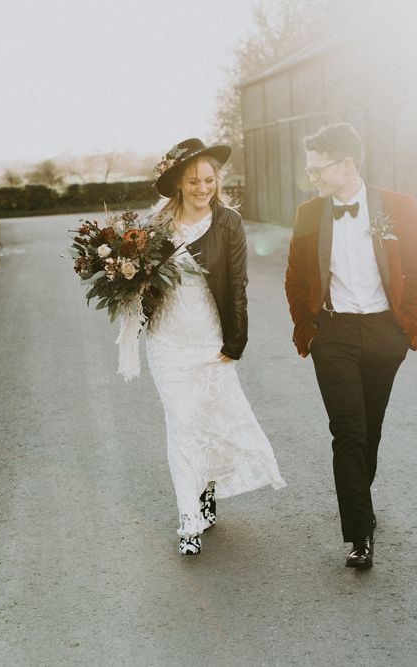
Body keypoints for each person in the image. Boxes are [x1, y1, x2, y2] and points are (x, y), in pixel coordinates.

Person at [285, 122, 417, 569]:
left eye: (318, 169)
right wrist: (309, 328)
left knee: (371, 428)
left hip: (385, 333)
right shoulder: (310, 213)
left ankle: (358, 499)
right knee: (347, 432)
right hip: (335, 335)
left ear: (347, 164)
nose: (313, 178)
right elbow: (295, 278)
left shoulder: (400, 208)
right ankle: (359, 533)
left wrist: (404, 325)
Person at [146, 137, 286, 555]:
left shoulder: (228, 222)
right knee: (181, 422)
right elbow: (140, 283)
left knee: (207, 420)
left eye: (208, 180)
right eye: (193, 181)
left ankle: (205, 487)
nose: (202, 188)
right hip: (167, 341)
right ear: (177, 184)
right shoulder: (155, 225)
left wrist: (235, 340)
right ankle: (188, 517)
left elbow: (236, 285)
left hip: (209, 338)